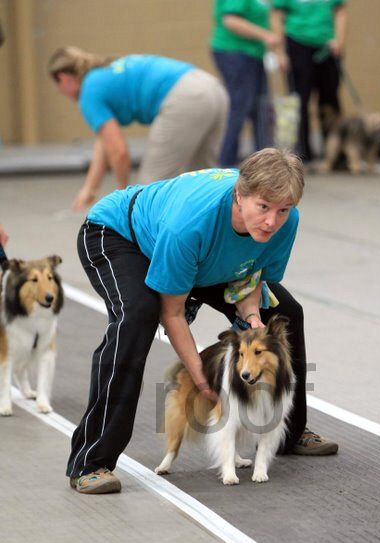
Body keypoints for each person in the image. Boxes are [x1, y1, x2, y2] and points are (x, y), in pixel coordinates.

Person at [67, 147, 338, 494]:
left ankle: (289, 432)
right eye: (263, 208)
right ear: (240, 196)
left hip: (203, 258)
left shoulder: (285, 223)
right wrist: (202, 379)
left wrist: (253, 318)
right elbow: (173, 313)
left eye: (282, 210)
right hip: (119, 235)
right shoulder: (191, 224)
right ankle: (92, 462)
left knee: (283, 313)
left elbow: (251, 278)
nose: (272, 221)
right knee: (137, 317)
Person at [48, 47, 228, 211]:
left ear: (63, 78)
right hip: (212, 88)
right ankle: (215, 240)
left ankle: (146, 244)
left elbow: (119, 152)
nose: (61, 92)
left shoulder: (89, 91)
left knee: (149, 193)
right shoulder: (104, 73)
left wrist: (123, 198)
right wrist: (90, 188)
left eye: (59, 88)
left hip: (184, 98)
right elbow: (104, 142)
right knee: (204, 181)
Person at [271, 0, 348, 162]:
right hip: (297, 43)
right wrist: (279, 52)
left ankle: (335, 153)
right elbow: (276, 15)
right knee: (300, 100)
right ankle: (303, 154)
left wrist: (339, 40)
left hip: (327, 46)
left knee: (330, 101)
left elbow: (340, 11)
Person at [210, 0, 280, 167]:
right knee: (239, 108)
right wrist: (266, 35)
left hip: (253, 54)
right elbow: (231, 20)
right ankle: (225, 166)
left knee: (261, 109)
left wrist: (279, 52)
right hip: (234, 53)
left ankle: (266, 165)